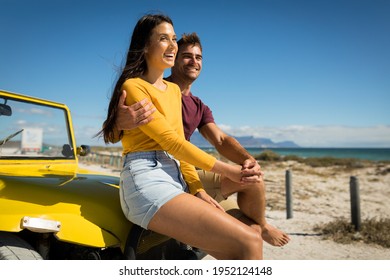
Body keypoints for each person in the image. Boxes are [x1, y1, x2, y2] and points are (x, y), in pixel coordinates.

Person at [98, 14, 263, 259]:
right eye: (164, 38)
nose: (173, 45)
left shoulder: (174, 91)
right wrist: (229, 170)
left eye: (173, 39)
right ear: (144, 46)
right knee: (248, 242)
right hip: (146, 178)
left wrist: (197, 189)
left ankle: (263, 226)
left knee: (250, 241)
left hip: (176, 174)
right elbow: (170, 142)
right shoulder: (134, 86)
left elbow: (183, 144)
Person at [115, 33, 290, 247]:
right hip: (162, 169)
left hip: (188, 169)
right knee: (245, 231)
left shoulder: (198, 105)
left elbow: (221, 139)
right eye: (187, 56)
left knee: (253, 181)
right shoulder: (154, 89)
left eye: (198, 57)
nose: (194, 62)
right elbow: (127, 133)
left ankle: (261, 226)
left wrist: (248, 161)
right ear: (173, 59)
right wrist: (118, 123)